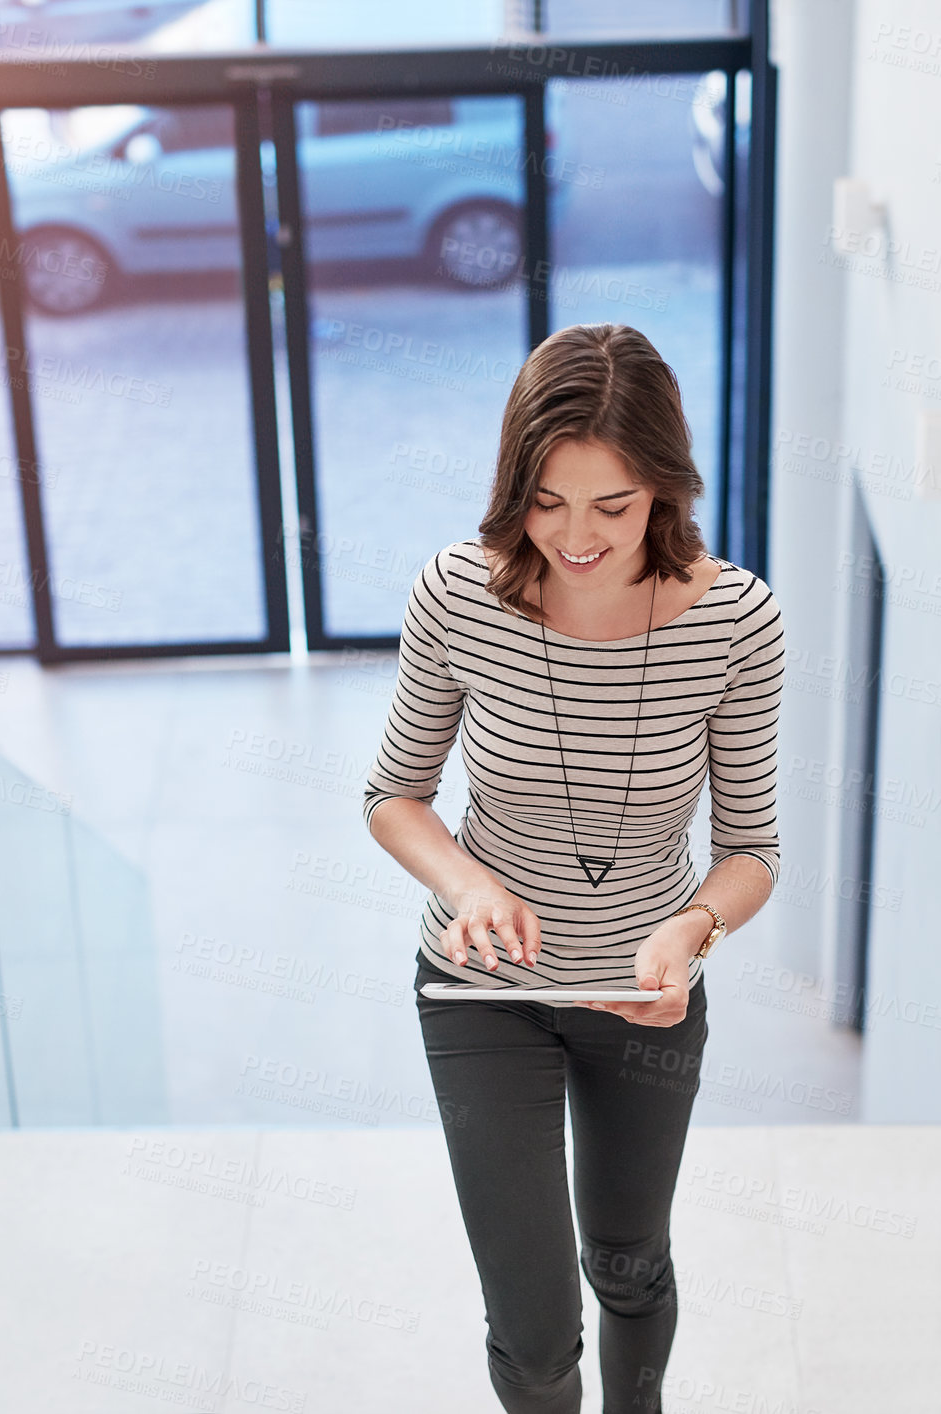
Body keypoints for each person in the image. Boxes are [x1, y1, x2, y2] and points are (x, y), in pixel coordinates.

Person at [361, 323, 784, 1414]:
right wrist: (466, 885)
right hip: (480, 991)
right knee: (537, 1331)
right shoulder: (458, 593)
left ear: (664, 488)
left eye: (612, 504)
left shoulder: (736, 619)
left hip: (645, 999)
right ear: (515, 485)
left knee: (628, 1265)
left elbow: (750, 848)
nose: (575, 536)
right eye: (547, 501)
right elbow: (392, 795)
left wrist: (691, 932)